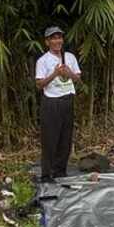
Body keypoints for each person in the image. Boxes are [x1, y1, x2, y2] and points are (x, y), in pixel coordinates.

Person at [35, 26, 81, 182]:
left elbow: (77, 78)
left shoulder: (70, 57)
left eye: (59, 37)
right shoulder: (43, 60)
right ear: (47, 42)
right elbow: (39, 84)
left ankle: (60, 172)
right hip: (51, 102)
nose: (57, 41)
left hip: (67, 100)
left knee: (65, 139)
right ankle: (46, 174)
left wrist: (68, 73)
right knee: (50, 139)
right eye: (53, 38)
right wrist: (54, 73)